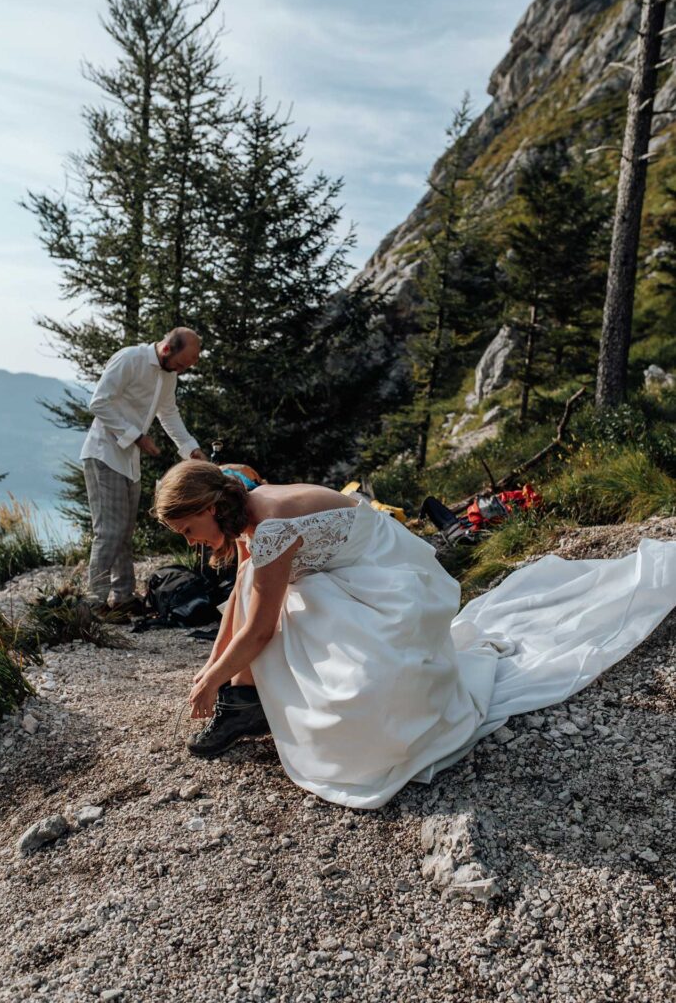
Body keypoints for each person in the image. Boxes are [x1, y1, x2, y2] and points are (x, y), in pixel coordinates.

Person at [152, 460, 676, 810]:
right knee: (263, 594)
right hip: (356, 563)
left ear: (209, 507)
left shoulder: (271, 528)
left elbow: (259, 626)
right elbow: (245, 587)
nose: (190, 542)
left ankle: (243, 701)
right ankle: (243, 704)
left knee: (309, 638)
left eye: (186, 529)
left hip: (388, 577)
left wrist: (210, 678)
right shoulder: (233, 480)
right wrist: (213, 672)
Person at [81, 328, 207, 618]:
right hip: (103, 454)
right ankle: (93, 601)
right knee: (108, 531)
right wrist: (136, 436)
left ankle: (124, 597)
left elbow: (169, 413)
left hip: (129, 461)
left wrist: (190, 449)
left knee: (124, 530)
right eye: (181, 363)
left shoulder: (168, 375)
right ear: (166, 350)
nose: (183, 370)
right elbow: (99, 402)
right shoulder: (129, 359)